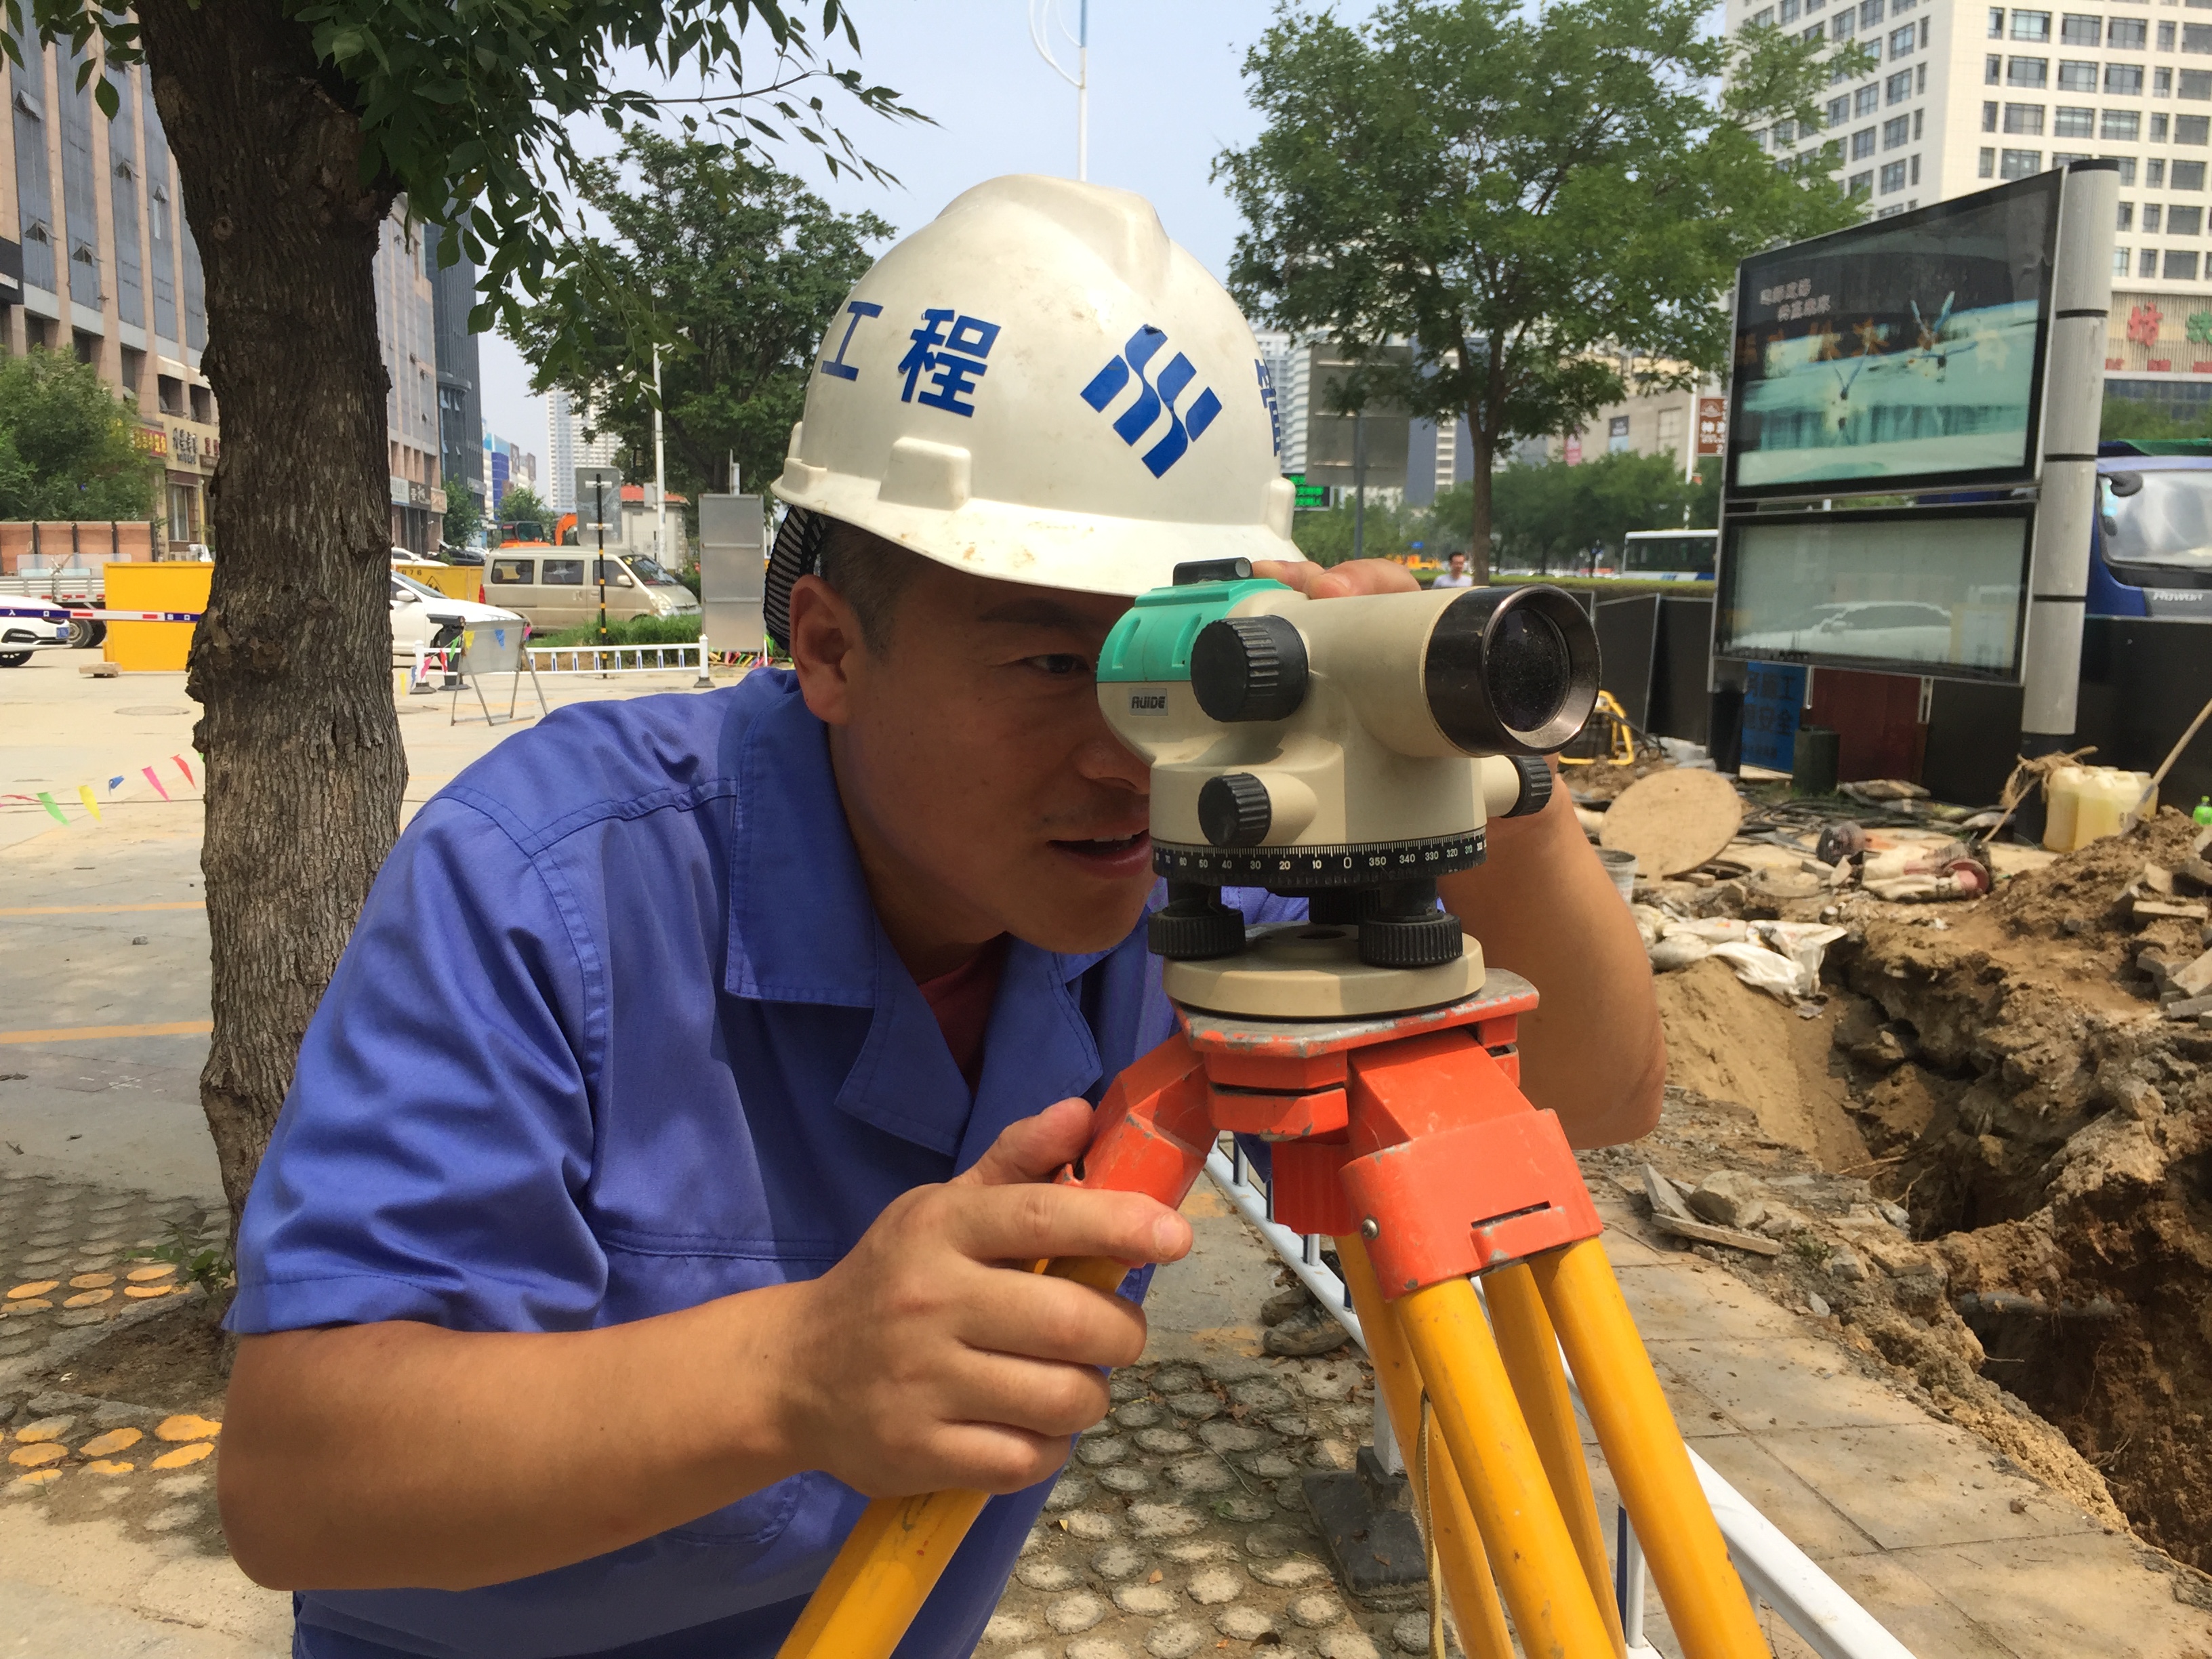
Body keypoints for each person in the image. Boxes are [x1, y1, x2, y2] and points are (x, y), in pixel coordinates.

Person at [216, 177, 1664, 1659]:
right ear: (831, 649)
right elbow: (294, 1481)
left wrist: (1459, 754)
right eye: (1055, 667)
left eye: (1186, 671)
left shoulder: (1185, 852)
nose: (1130, 756)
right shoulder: (551, 882)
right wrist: (793, 1374)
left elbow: (1598, 1093)